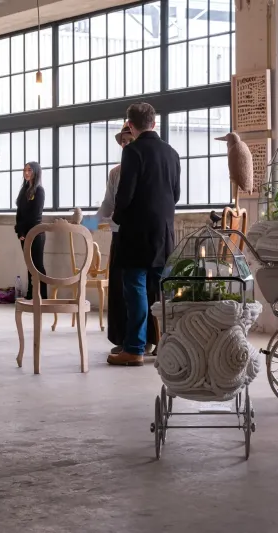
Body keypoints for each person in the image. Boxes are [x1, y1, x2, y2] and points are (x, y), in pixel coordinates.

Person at [108, 103, 181, 367]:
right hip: (164, 234)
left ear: (130, 125)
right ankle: (166, 346)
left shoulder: (133, 151)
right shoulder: (172, 153)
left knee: (135, 289)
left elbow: (124, 195)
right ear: (154, 123)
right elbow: (176, 195)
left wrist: (117, 218)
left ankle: (135, 348)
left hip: (137, 234)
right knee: (160, 292)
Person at [87, 125, 160, 358]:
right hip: (121, 235)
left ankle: (147, 341)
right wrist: (85, 226)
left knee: (148, 290)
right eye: (123, 141)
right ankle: (128, 340)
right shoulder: (116, 173)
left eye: (130, 139)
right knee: (122, 291)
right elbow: (108, 206)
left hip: (144, 233)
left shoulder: (148, 166)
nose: (126, 144)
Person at [14, 162, 48, 300]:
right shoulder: (23, 190)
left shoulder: (39, 191)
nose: (26, 173)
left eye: (29, 170)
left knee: (38, 265)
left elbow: (35, 216)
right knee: (29, 264)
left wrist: (28, 232)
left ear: (36, 172)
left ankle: (43, 296)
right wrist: (20, 232)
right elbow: (19, 214)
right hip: (24, 234)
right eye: (25, 170)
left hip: (36, 233)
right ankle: (30, 294)